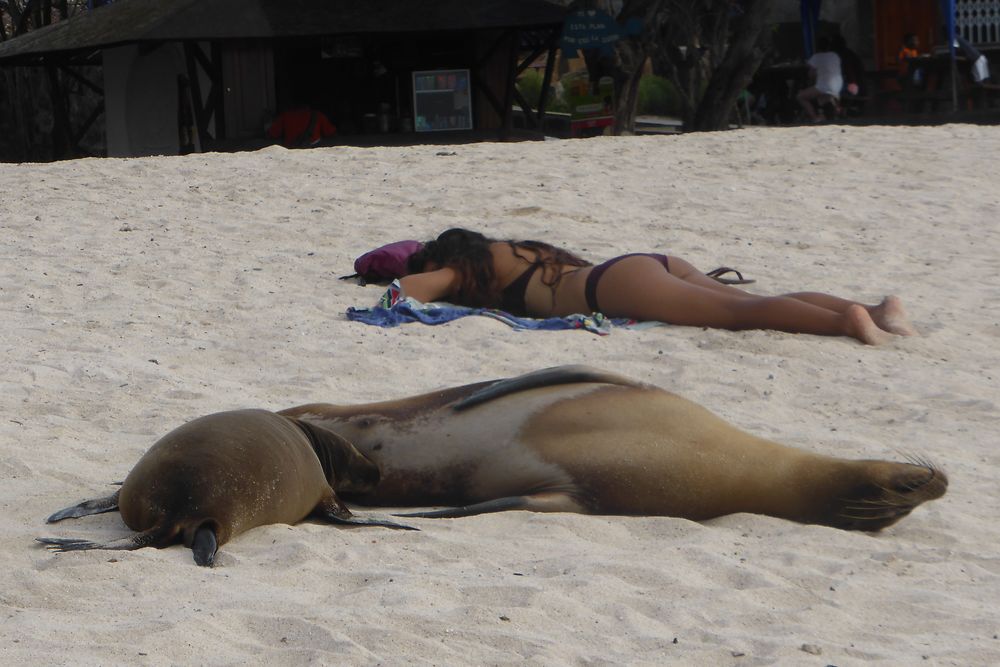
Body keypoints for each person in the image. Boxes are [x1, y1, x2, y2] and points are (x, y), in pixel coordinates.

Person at [395, 228, 916, 346]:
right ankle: (872, 308)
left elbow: (413, 287)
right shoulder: (517, 250)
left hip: (615, 285)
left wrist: (411, 273)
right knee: (744, 300)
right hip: (647, 263)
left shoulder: (473, 266)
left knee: (741, 314)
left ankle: (844, 322)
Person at [796, 37, 843, 123]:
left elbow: (811, 74)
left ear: (817, 47)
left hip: (824, 86)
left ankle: (815, 117)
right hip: (838, 86)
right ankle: (830, 109)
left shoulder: (816, 57)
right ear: (829, 46)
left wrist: (813, 79)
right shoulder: (835, 55)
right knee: (820, 93)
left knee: (800, 96)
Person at [266, 104, 337, 148]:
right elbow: (331, 133)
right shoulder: (317, 115)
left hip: (291, 148)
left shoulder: (286, 115)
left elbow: (272, 134)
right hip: (313, 149)